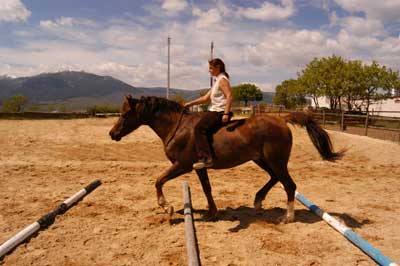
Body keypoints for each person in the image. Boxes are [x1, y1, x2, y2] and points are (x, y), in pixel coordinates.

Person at [184, 58, 233, 169]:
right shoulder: (217, 81)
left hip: (219, 111)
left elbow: (229, 95)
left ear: (218, 67)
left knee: (199, 129)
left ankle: (207, 159)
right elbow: (205, 98)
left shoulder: (222, 80)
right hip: (214, 110)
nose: (209, 71)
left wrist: (226, 113)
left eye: (211, 68)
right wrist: (189, 103)